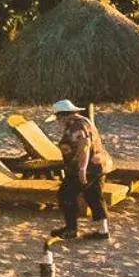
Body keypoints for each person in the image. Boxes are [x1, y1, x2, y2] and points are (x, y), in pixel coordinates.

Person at [49, 100, 112, 241]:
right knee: (94, 196)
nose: (58, 121)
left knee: (66, 195)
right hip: (97, 165)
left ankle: (71, 228)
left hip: (86, 168)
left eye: (58, 117)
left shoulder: (76, 127)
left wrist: (82, 168)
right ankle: (103, 231)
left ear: (63, 115)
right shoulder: (84, 121)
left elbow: (84, 146)